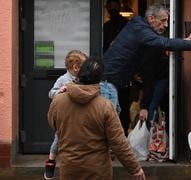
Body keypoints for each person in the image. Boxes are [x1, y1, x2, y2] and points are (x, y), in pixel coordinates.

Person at [101, 3, 191, 135]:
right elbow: (163, 43)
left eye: (167, 21)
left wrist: (187, 40)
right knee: (106, 130)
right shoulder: (140, 29)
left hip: (112, 84)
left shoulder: (141, 30)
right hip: (107, 84)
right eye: (163, 20)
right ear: (151, 19)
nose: (166, 25)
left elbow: (162, 44)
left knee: (110, 129)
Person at [47, 56, 146, 180]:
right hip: (98, 170)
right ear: (99, 80)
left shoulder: (59, 101)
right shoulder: (105, 106)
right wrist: (135, 168)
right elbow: (118, 142)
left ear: (80, 73)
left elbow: (53, 123)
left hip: (70, 169)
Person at [44, 49, 87, 180]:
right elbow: (51, 93)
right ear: (75, 67)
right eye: (84, 67)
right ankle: (51, 161)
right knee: (58, 138)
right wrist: (60, 91)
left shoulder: (82, 79)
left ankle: (78, 164)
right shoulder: (62, 79)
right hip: (64, 115)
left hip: (78, 115)